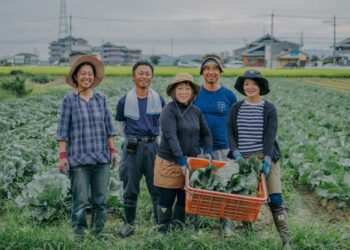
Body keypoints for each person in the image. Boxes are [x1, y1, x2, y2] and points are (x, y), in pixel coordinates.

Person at [227, 69, 291, 249]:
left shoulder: (269, 108)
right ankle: (248, 235)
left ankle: (286, 240)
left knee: (276, 198)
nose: (249, 87)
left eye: (253, 84)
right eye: (246, 84)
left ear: (260, 87)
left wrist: (268, 158)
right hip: (243, 159)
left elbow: (271, 134)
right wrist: (236, 154)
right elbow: (230, 133)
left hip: (266, 157)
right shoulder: (236, 108)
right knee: (245, 198)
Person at [56, 54, 116, 237]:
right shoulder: (69, 100)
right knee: (80, 199)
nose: (86, 77)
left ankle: (99, 231)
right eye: (82, 73)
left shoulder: (101, 99)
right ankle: (79, 231)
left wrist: (112, 151)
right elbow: (62, 131)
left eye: (90, 74)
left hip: (101, 158)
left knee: (100, 199)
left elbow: (109, 128)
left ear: (94, 77)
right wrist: (62, 156)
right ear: (75, 77)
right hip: (79, 159)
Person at [154, 72, 213, 234]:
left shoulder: (196, 111)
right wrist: (180, 160)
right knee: (166, 197)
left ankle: (178, 225)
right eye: (180, 88)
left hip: (190, 163)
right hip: (170, 162)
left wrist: (208, 152)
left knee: (183, 197)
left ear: (192, 92)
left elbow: (206, 134)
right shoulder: (168, 110)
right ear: (174, 91)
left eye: (187, 88)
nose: (184, 92)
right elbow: (171, 137)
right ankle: (163, 229)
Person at [115, 61, 165, 237]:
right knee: (130, 185)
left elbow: (162, 123)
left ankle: (160, 224)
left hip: (153, 145)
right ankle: (129, 223)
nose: (144, 76)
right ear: (133, 76)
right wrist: (132, 137)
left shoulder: (158, 99)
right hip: (132, 147)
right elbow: (121, 124)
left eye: (147, 73)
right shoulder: (124, 101)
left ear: (152, 77)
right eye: (140, 73)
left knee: (157, 185)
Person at [194, 53, 237, 236]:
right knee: (196, 184)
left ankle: (225, 222)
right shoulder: (195, 93)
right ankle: (192, 221)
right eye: (207, 69)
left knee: (224, 185)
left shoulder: (228, 95)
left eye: (215, 69)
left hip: (223, 147)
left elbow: (236, 123)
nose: (211, 72)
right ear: (202, 72)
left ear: (220, 72)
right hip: (199, 147)